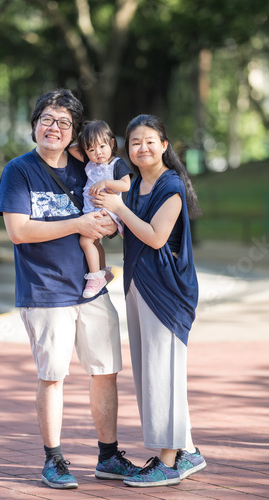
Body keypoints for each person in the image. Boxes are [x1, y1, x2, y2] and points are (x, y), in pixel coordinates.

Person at [0, 89, 140, 490]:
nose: (53, 127)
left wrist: (107, 224)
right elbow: (19, 231)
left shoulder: (88, 166)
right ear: (34, 125)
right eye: (46, 118)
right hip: (45, 290)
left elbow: (109, 213)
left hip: (92, 288)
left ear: (74, 131)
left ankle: (108, 456)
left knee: (106, 370)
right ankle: (54, 459)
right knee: (53, 375)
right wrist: (77, 225)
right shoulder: (19, 170)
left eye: (62, 121)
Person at [93, 114, 206, 487]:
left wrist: (120, 209)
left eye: (149, 141)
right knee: (150, 373)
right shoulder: (135, 183)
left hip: (166, 291)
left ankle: (168, 461)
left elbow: (156, 237)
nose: (142, 148)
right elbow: (125, 228)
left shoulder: (171, 186)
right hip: (138, 284)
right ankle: (187, 450)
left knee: (163, 373)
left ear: (164, 145)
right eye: (135, 142)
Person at [69, 120, 132, 298]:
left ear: (112, 143)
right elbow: (71, 149)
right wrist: (86, 136)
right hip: (92, 211)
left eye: (102, 146)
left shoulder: (116, 164)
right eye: (91, 149)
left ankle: (95, 277)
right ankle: (104, 272)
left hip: (106, 211)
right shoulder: (90, 163)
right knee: (95, 243)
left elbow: (125, 185)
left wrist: (105, 182)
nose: (98, 153)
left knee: (86, 242)